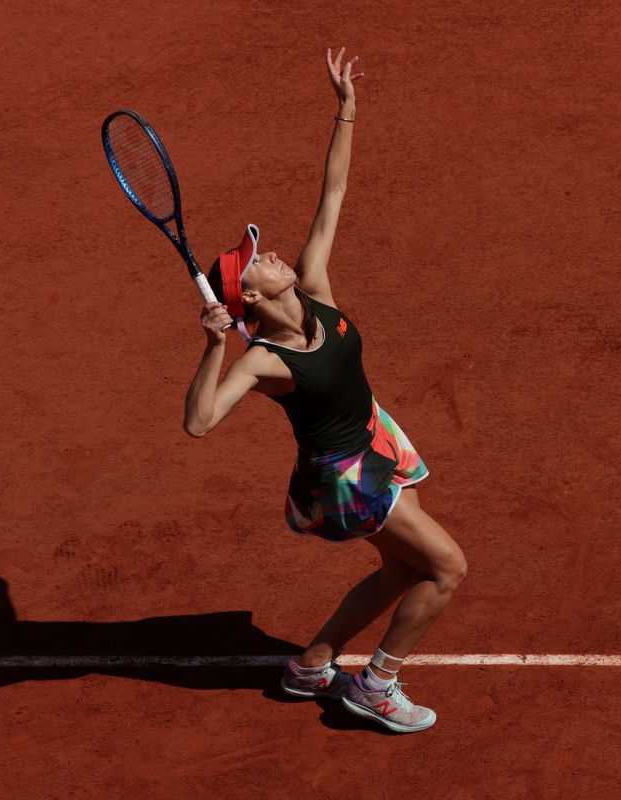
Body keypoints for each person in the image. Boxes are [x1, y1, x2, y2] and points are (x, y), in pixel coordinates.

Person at [182, 48, 467, 734]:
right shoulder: (266, 360)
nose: (273, 254)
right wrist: (216, 346)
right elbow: (199, 423)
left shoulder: (316, 288)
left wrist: (345, 112)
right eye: (258, 262)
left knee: (403, 571)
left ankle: (311, 666)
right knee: (448, 568)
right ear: (250, 295)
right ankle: (376, 684)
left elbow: (331, 194)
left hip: (376, 433)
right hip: (344, 476)